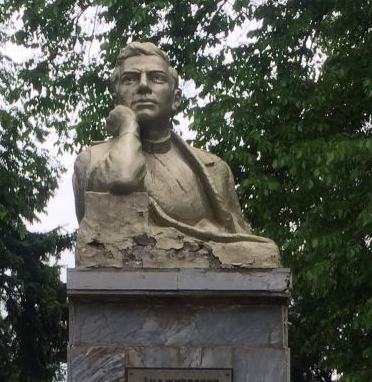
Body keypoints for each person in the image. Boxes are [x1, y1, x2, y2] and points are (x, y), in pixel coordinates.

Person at [73, 41, 280, 267]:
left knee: (264, 251)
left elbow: (239, 238)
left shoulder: (214, 168)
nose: (143, 86)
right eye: (130, 79)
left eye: (156, 78)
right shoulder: (90, 161)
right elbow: (122, 178)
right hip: (127, 270)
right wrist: (129, 127)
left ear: (176, 99)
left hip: (207, 277)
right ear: (116, 99)